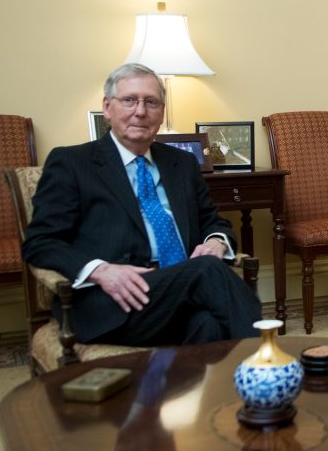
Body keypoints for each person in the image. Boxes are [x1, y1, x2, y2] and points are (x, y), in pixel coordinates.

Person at [22, 63, 261, 346]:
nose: (140, 111)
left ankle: (214, 376)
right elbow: (40, 242)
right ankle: (268, 360)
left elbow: (213, 221)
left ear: (162, 112)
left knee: (208, 324)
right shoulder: (72, 163)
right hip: (115, 299)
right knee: (207, 270)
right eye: (129, 100)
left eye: (151, 102)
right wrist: (101, 271)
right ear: (107, 107)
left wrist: (216, 241)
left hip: (180, 291)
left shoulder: (182, 163)